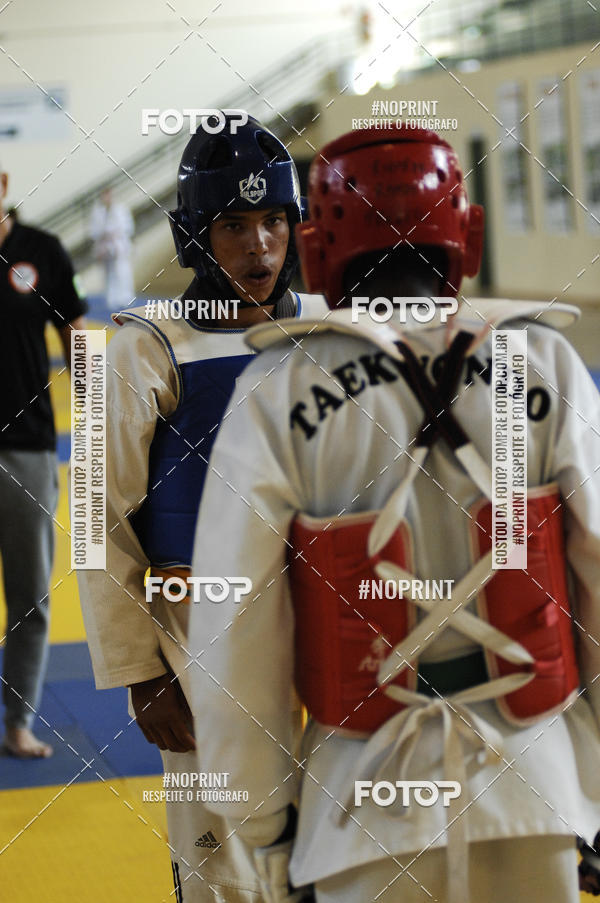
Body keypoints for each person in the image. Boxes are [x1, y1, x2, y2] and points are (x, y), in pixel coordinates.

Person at [188, 126, 600, 903]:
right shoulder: (545, 360)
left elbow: (232, 625)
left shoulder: (276, 388)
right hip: (535, 796)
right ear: (467, 235)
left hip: (360, 813)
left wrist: (263, 821)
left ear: (314, 246)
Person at [77, 113, 326, 902]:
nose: (259, 246)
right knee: (226, 878)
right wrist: (137, 670)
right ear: (195, 235)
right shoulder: (147, 347)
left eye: (273, 221)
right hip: (201, 662)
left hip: (333, 649)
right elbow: (95, 515)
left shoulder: (330, 329)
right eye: (234, 225)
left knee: (333, 866)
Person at [0, 169, 87, 758]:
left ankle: (17, 721)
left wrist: (104, 428)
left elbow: (77, 334)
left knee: (29, 595)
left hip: (27, 448)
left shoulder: (42, 252)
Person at [89, 187, 135, 312]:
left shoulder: (121, 209)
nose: (107, 198)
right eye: (104, 195)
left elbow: (128, 227)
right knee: (108, 273)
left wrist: (115, 234)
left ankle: (126, 297)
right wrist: (104, 234)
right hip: (104, 246)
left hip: (119, 244)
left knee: (123, 271)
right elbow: (93, 231)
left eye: (109, 195)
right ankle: (111, 299)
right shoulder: (97, 212)